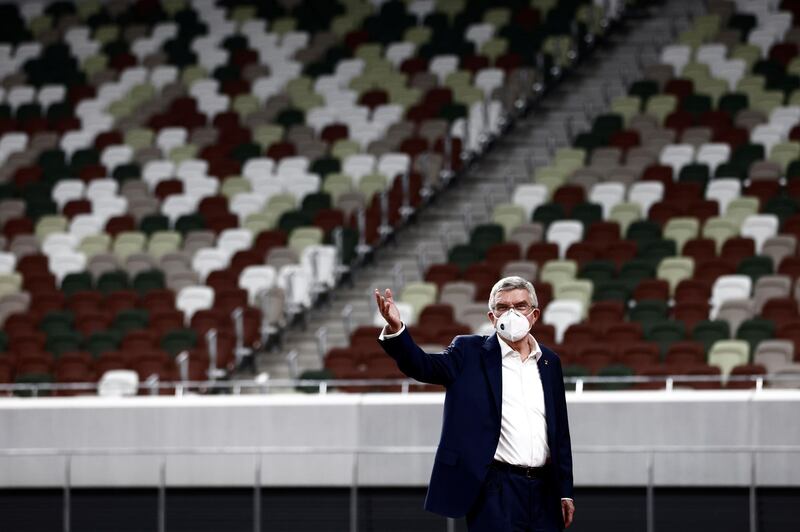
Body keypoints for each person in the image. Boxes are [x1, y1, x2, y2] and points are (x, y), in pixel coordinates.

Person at [375, 276, 575, 531]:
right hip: (496, 489)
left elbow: (560, 431)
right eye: (502, 307)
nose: (511, 312)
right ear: (492, 318)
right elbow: (423, 366)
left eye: (520, 305)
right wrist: (397, 328)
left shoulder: (550, 362)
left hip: (545, 490)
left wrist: (565, 490)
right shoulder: (468, 352)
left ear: (534, 315)